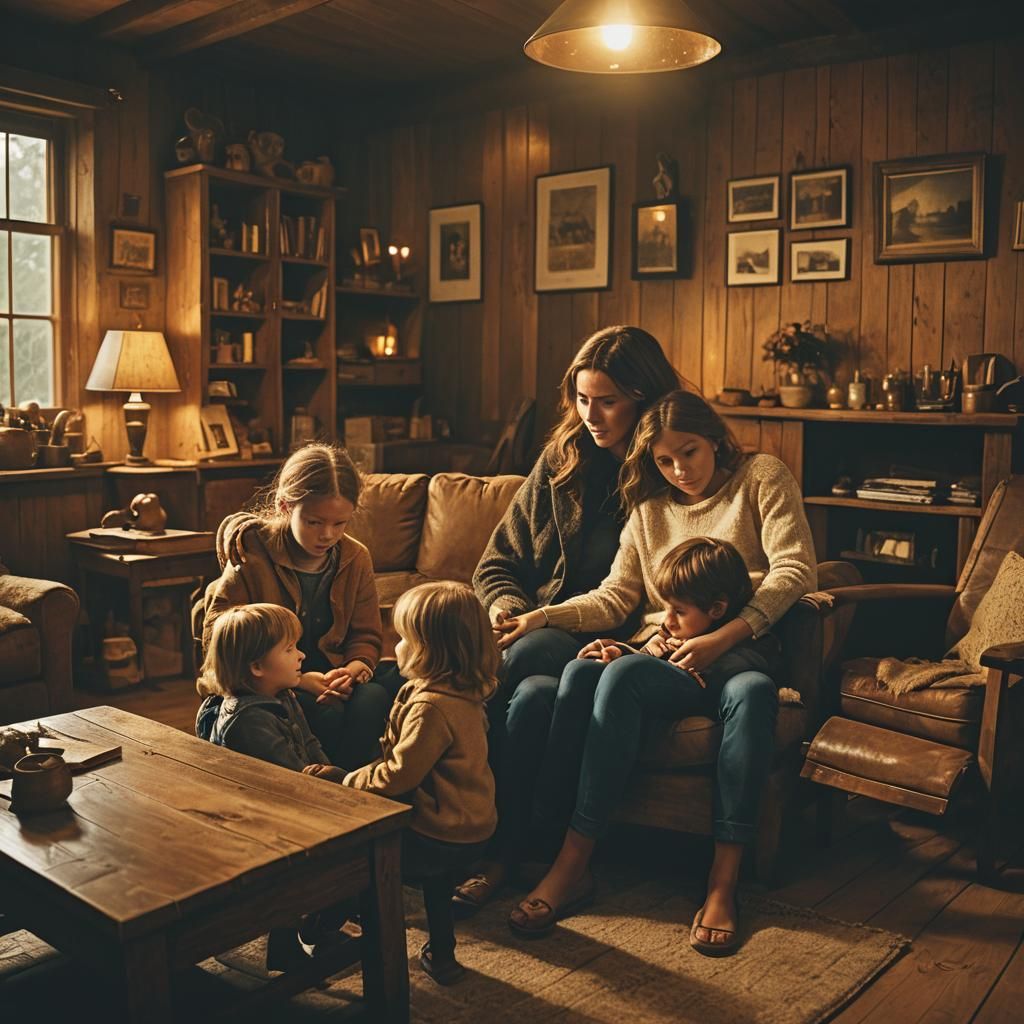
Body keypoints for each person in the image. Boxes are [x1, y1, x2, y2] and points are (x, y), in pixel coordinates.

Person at [496, 390, 817, 956]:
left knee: (754, 691)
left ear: (715, 439)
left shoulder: (761, 476)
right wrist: (542, 617)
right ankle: (566, 860)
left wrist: (722, 637)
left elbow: (794, 568)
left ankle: (722, 884)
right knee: (582, 671)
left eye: (689, 453)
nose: (679, 471)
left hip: (740, 647)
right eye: (664, 462)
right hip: (665, 655)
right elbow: (617, 594)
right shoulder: (648, 509)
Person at [456, 326, 686, 910]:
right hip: (544, 625)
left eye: (607, 400)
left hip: (623, 632)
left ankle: (486, 844)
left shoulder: (676, 465)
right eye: (583, 399)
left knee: (530, 659)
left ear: (644, 396)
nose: (592, 415)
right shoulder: (561, 461)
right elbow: (498, 563)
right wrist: (508, 607)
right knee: (531, 691)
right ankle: (495, 843)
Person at [306, 581, 498, 985]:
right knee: (437, 881)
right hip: (467, 826)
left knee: (357, 857)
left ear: (432, 649)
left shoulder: (431, 707)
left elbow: (398, 774)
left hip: (437, 830)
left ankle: (322, 926)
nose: (396, 646)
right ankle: (441, 954)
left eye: (404, 639)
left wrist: (346, 779)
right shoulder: (461, 691)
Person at [201, 442, 389, 770]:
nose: (327, 535)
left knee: (378, 694)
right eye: (315, 522)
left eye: (340, 524)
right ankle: (322, 790)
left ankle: (348, 787)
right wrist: (299, 681)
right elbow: (220, 635)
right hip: (269, 680)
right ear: (285, 506)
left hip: (332, 674)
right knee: (321, 709)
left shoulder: (356, 558)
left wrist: (355, 669)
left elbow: (366, 634)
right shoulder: (252, 552)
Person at [193, 602, 354, 971]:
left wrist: (333, 776)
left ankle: (317, 929)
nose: (302, 654)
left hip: (290, 807)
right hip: (266, 826)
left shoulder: (280, 695)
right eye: (290, 649)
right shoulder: (249, 722)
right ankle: (299, 937)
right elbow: (291, 779)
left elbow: (309, 745)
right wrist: (339, 790)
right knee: (346, 864)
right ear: (256, 667)